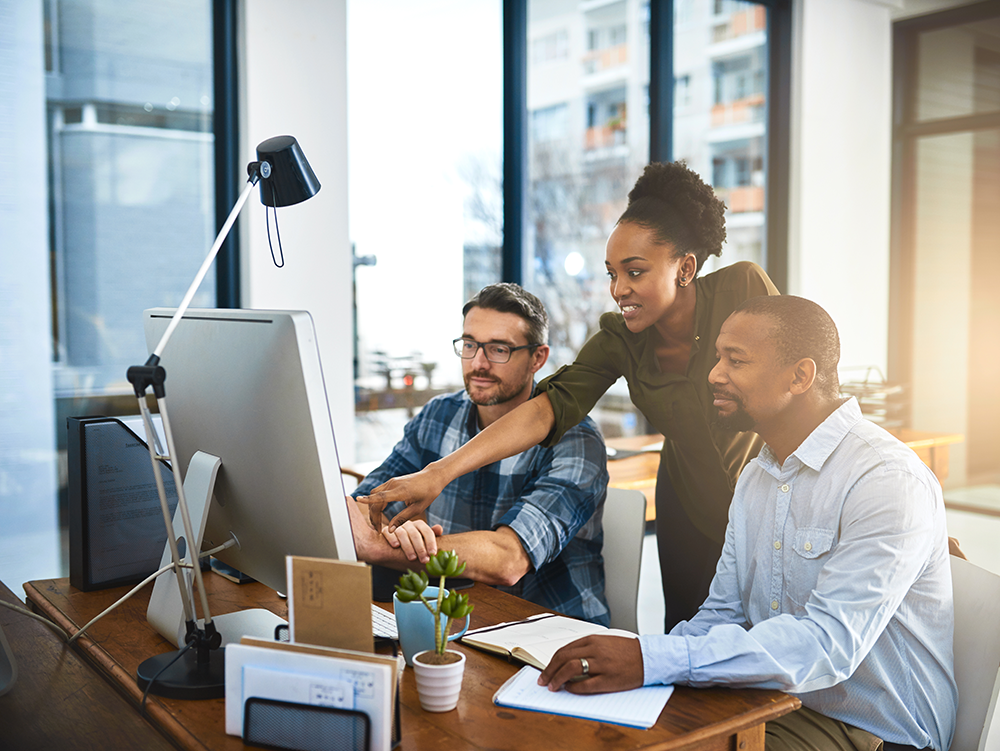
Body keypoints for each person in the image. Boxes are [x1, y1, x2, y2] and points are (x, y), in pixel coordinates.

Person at [360, 162, 779, 630]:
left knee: (777, 625)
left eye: (635, 272)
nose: (620, 290)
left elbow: (793, 379)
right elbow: (546, 410)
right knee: (694, 633)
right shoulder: (620, 339)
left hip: (768, 489)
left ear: (685, 267)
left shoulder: (742, 289)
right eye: (612, 274)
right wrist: (439, 474)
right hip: (689, 498)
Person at [538, 295, 957, 751]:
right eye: (718, 357)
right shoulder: (757, 475)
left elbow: (827, 645)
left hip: (874, 731)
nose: (714, 374)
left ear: (800, 376)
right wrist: (646, 666)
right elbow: (723, 613)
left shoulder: (885, 479)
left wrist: (651, 658)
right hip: (771, 701)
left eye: (734, 360)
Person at [347, 283, 611, 625]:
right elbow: (366, 509)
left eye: (498, 349)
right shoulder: (439, 415)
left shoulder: (575, 439)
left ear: (538, 358)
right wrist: (402, 535)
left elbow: (509, 560)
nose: (478, 363)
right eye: (469, 345)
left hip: (553, 633)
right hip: (462, 620)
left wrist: (383, 547)